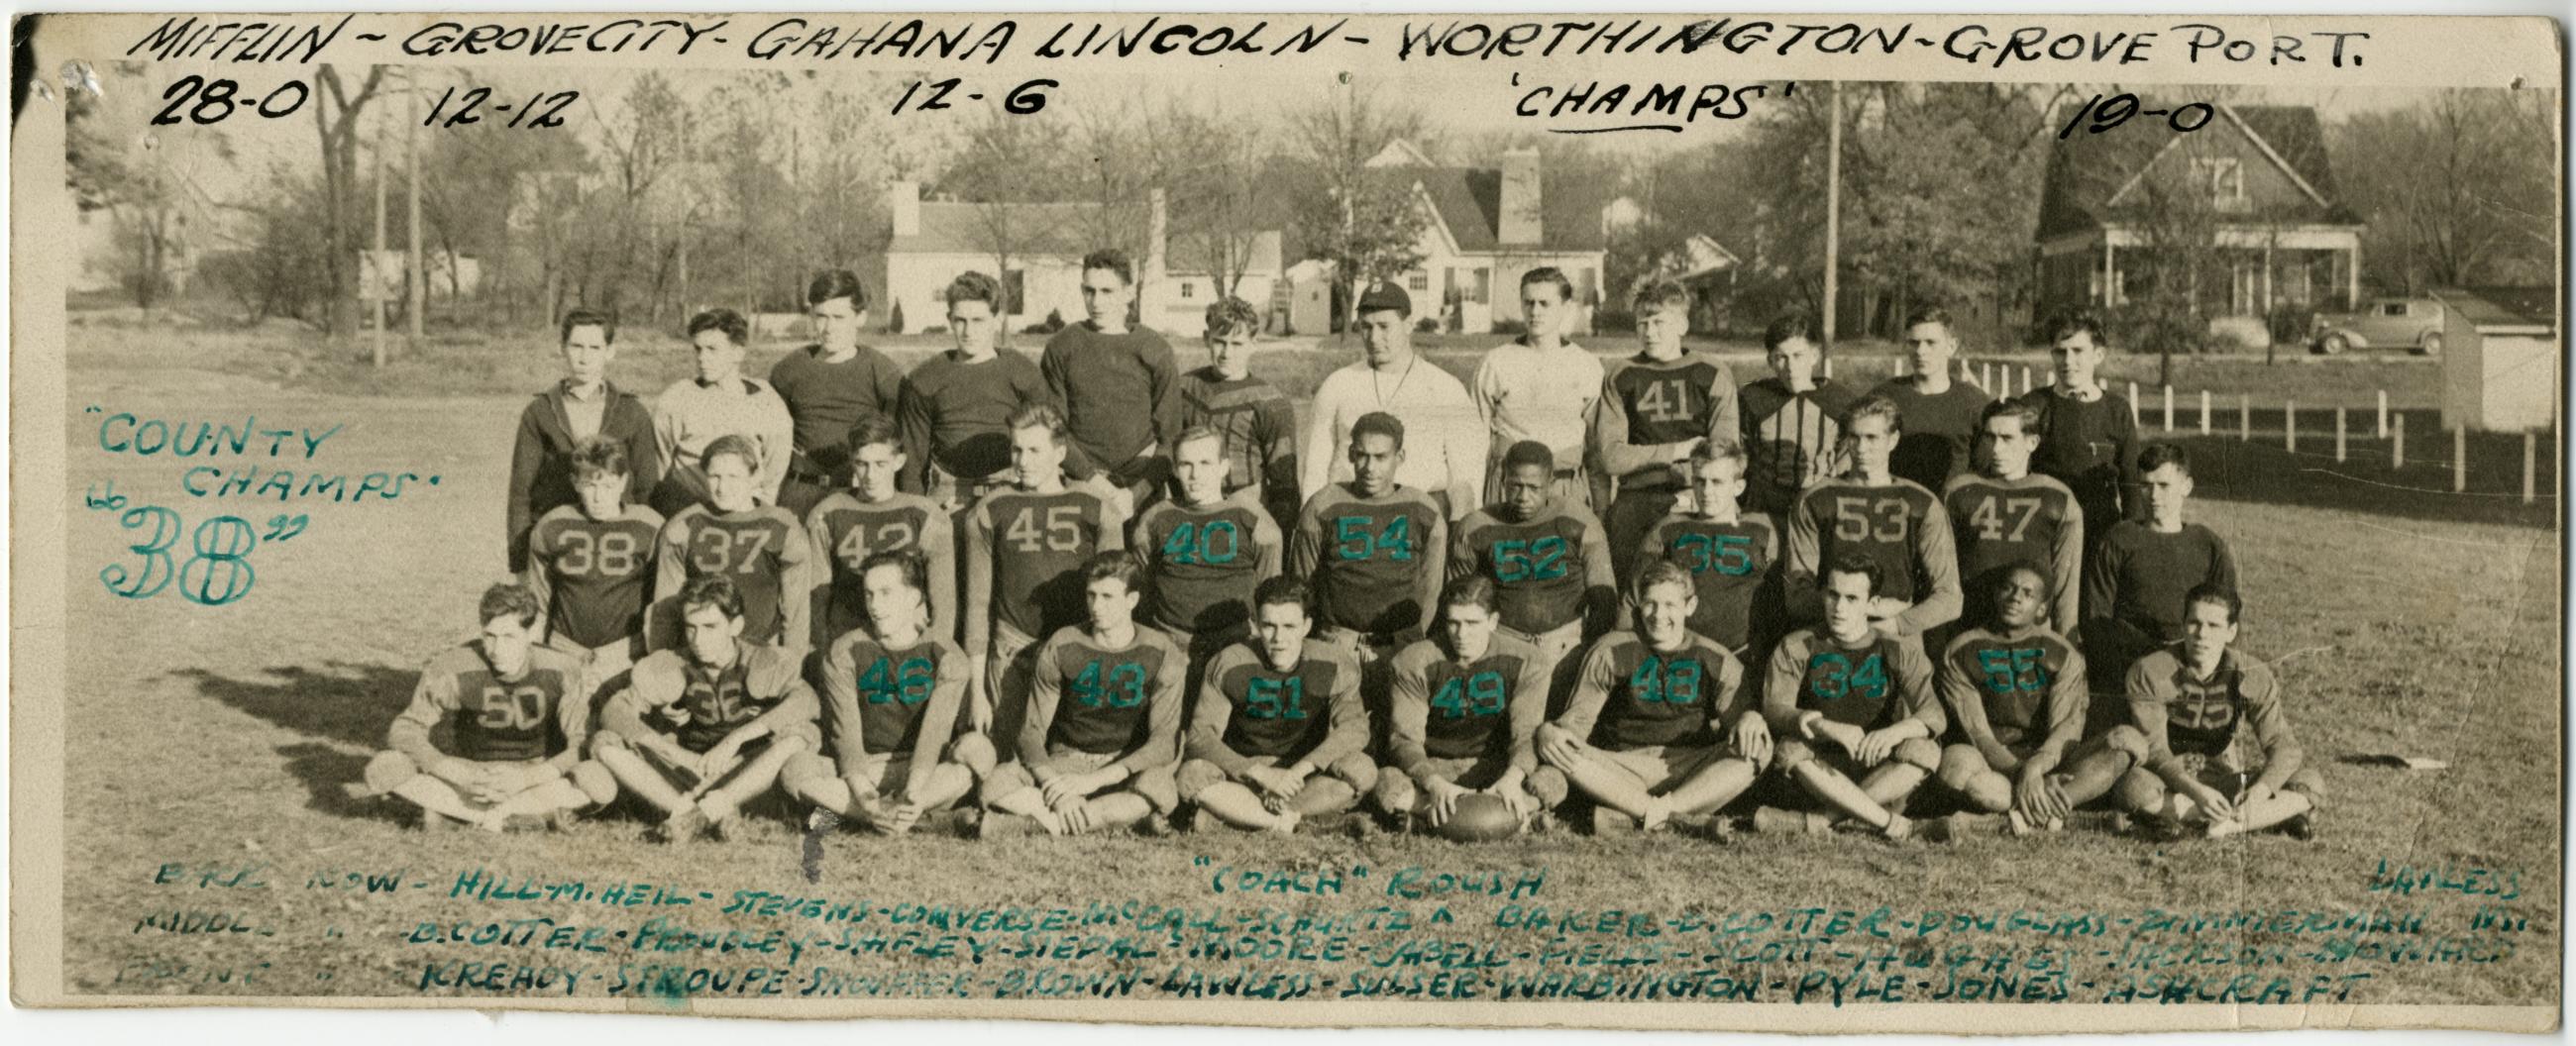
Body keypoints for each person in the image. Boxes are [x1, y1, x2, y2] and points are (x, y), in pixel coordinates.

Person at [356, 582, 617, 832]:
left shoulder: (561, 668)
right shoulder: (453, 665)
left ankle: (461, 815)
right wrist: (455, 773)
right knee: (384, 767)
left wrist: (527, 779)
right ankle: (526, 816)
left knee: (598, 780)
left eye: (509, 637)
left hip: (536, 771)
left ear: (531, 634)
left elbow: (581, 741)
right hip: (472, 772)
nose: (497, 649)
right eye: (489, 636)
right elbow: (405, 730)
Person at [1537, 560, 1760, 835]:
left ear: (1690, 606)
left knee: (1759, 749)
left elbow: (1738, 722)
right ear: (1639, 605)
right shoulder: (1612, 649)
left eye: (1669, 605)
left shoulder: (1714, 656)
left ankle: (1643, 815)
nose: (1657, 615)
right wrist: (1552, 733)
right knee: (1557, 746)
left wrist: (1750, 717)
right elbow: (1577, 724)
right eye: (1650, 603)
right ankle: (1678, 819)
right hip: (1622, 766)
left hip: (1689, 768)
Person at [592, 575, 821, 843]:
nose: (698, 639)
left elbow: (806, 702)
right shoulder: (673, 663)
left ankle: (712, 809)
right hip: (690, 770)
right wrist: (671, 751)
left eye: (710, 626)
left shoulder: (764, 659)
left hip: (748, 774)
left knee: (801, 735)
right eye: (691, 627)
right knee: (604, 743)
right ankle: (688, 813)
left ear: (735, 625)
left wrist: (736, 740)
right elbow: (614, 710)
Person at [2083, 584, 2321, 840]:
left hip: (2221, 779)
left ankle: (2228, 824)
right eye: (2194, 623)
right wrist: (2196, 791)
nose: (2201, 634)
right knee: (2132, 787)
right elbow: (2154, 751)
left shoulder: (2252, 673)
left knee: (2309, 780)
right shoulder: (2151, 671)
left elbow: (2283, 746)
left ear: (2231, 632)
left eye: (2213, 626)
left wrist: (2261, 791)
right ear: (2183, 625)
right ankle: (2255, 820)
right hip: (2167, 782)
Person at [962, 405, 1129, 764]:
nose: (1023, 461)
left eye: (1035, 450)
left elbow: (1114, 597)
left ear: (1060, 453)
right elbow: (978, 603)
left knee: (1069, 757)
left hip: (1077, 650)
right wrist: (977, 689)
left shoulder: (1095, 504)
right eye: (1017, 450)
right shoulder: (993, 507)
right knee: (997, 757)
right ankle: (829, 820)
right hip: (1013, 649)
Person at [784, 550, 989, 836]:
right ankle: (908, 821)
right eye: (869, 594)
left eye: (885, 593)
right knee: (795, 768)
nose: (875, 606)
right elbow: (847, 737)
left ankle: (874, 815)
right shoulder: (845, 650)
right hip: (867, 768)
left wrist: (914, 793)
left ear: (914, 596)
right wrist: (867, 801)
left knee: (979, 752)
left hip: (923, 773)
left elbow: (934, 735)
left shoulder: (946, 653)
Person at [980, 553, 1185, 836]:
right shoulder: (1064, 643)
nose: (1096, 606)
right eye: (1091, 595)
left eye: (1107, 597)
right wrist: (1060, 789)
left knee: (1159, 788)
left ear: (1132, 600)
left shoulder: (1161, 651)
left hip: (1124, 762)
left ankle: (1045, 823)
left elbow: (1164, 741)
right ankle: (1099, 819)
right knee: (995, 783)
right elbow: (1031, 730)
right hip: (1069, 758)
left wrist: (1098, 780)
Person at [1291, 412, 1449, 750]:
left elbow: (1431, 586)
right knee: (1332, 739)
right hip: (1339, 638)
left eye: (1381, 457)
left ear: (1400, 458)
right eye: (1361, 455)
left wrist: (1410, 638)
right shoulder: (1323, 503)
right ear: (1350, 454)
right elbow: (1303, 583)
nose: (1369, 467)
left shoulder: (1423, 509)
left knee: (1401, 739)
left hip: (1400, 642)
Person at [1759, 557, 1944, 840]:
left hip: (1877, 767)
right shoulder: (1798, 644)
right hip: (1819, 770)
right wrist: (1825, 726)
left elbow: (1933, 714)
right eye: (1833, 595)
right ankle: (1886, 822)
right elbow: (1774, 708)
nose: (1839, 608)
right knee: (1789, 748)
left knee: (1926, 749)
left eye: (1852, 598)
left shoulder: (1897, 649)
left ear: (1872, 603)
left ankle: (1824, 820)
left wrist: (1893, 734)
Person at [1932, 566, 2127, 834]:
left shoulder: (2061, 650)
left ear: (2041, 608)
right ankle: (2064, 817)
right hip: (1996, 766)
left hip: (2051, 764)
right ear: (1995, 595)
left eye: (2028, 593)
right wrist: (2023, 773)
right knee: (1956, 766)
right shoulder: (1962, 649)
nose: (2015, 598)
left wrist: (2037, 768)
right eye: (2008, 588)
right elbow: (1978, 734)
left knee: (2129, 741)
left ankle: (2012, 819)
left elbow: (2066, 727)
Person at [1177, 575, 1377, 832]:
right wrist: (1258, 772)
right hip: (1245, 773)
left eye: (1289, 626)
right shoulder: (1229, 662)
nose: (1278, 637)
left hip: (1303, 775)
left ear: (1307, 626)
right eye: (1269, 625)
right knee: (1191, 775)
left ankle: (1242, 816)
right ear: (1255, 624)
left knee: (1362, 769)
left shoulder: (1334, 663)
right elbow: (1200, 736)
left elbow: (1354, 728)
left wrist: (1300, 770)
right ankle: (1291, 820)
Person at [1377, 575, 1565, 834]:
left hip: (1495, 766)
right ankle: (1513, 818)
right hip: (1436, 764)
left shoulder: (1527, 660)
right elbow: (1405, 740)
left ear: (1493, 621)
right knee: (1386, 782)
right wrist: (1434, 783)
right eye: (1453, 623)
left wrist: (1512, 778)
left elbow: (1526, 734)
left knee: (1554, 780)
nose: (1461, 634)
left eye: (1472, 623)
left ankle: (1430, 820)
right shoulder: (1414, 660)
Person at [1589, 279, 1739, 592]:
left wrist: (1691, 486)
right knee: (1632, 592)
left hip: (1694, 497)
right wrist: (1679, 449)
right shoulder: (1622, 374)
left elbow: (1726, 452)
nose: (1649, 331)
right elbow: (1611, 456)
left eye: (1659, 322)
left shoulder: (1711, 372)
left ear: (1682, 324)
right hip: (1636, 501)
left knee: (1698, 591)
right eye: (1642, 323)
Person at [1449, 441, 1617, 710]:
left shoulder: (1578, 518)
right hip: (1504, 642)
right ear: (1503, 479)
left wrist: (1585, 651)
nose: (1523, 497)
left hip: (1564, 645)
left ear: (1550, 482)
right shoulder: (1476, 526)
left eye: (1534, 488)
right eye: (1515, 485)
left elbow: (1603, 597)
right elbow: (1458, 599)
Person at [1298, 281, 1484, 522]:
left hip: (1420, 519)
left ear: (1408, 325)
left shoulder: (1445, 388)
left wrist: (1460, 538)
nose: (1374, 337)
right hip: (1350, 518)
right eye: (1366, 327)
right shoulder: (1338, 385)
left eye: (1384, 326)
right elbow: (1315, 469)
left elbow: (1466, 477)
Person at [1130, 426, 1284, 712]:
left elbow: (1269, 589)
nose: (1195, 474)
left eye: (1205, 463)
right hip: (1173, 644)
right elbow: (1146, 588)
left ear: (1224, 467)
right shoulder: (1156, 518)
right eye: (1186, 464)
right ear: (1174, 469)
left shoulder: (1252, 519)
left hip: (1232, 644)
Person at [1784, 395, 1962, 642]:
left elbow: (1950, 599)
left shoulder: (1921, 503)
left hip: (1897, 636)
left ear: (1893, 440)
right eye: (1854, 437)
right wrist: (1867, 609)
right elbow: (1797, 597)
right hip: (1831, 634)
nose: (1861, 448)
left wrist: (1896, 623)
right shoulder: (1816, 499)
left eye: (1872, 438)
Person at [896, 271, 1070, 512]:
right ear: (949, 319)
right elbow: (913, 466)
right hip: (949, 490)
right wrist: (916, 515)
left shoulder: (1021, 371)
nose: (968, 331)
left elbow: (1053, 439)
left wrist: (1093, 480)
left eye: (978, 320)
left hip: (1010, 487)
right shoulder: (924, 379)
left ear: (995, 320)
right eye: (960, 320)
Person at [505, 308, 659, 574]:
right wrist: (520, 564)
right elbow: (521, 493)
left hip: (618, 544)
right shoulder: (540, 411)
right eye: (577, 346)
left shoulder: (632, 412)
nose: (585, 357)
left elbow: (647, 489)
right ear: (562, 348)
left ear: (610, 351)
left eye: (594, 347)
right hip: (560, 542)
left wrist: (650, 554)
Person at [2082, 442, 2238, 697]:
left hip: (2190, 667)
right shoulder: (2120, 539)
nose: (2153, 496)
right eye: (2145, 485)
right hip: (2130, 669)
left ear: (2186, 486)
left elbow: (2227, 616)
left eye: (2164, 486)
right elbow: (2097, 616)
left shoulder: (2208, 545)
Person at [652, 435, 817, 653]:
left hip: (762, 650)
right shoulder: (684, 525)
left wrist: (791, 664)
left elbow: (795, 613)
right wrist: (663, 660)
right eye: (715, 477)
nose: (722, 487)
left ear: (754, 477)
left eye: (733, 477)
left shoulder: (782, 526)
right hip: (700, 652)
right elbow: (666, 608)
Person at [1042, 249, 1181, 507]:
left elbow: (1170, 436)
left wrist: (1135, 494)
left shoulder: (1154, 348)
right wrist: (1093, 481)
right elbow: (1054, 429)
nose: (1096, 302)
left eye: (1107, 291)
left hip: (1142, 485)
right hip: (1082, 483)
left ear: (1128, 293)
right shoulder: (1062, 346)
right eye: (1089, 291)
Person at [805, 417, 955, 650]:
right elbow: (818, 596)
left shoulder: (924, 514)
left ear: (899, 461)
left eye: (880, 464)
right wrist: (822, 653)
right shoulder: (828, 512)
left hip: (909, 645)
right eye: (862, 464)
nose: (870, 475)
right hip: (847, 643)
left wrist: (936, 652)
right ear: (851, 462)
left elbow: (943, 601)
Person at [523, 437, 664, 679]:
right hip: (563, 649)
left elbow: (661, 601)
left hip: (623, 652)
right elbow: (538, 601)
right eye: (590, 485)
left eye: (608, 486)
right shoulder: (552, 525)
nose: (599, 498)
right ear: (575, 483)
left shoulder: (649, 525)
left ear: (623, 482)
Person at [770, 269, 907, 517]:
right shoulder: (788, 371)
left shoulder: (882, 372)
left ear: (860, 317)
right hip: (801, 490)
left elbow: (897, 441)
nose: (828, 327)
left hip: (857, 490)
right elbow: (772, 438)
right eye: (821, 316)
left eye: (839, 317)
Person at [1944, 400, 2084, 637]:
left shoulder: (2058, 497)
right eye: (1990, 437)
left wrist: (2065, 643)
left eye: (2007, 438)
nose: (1996, 448)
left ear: (2032, 442)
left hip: (2032, 635)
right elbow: (1941, 574)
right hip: (1970, 629)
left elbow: (2065, 585)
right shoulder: (1959, 491)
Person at [1638, 440, 1781, 662]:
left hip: (1743, 654)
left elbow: (1780, 601)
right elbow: (1634, 594)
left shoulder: (1763, 529)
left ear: (1738, 487)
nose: (1706, 491)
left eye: (1717, 482)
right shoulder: (1668, 528)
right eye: (1700, 480)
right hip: (1680, 654)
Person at [1474, 267, 1603, 510]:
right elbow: (1476, 438)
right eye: (1528, 302)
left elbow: (1596, 446)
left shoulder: (1586, 365)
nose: (1535, 312)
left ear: (1565, 307)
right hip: (1509, 487)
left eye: (1545, 304)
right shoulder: (1496, 362)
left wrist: (1601, 504)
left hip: (1563, 487)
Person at [650, 307, 795, 516]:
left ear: (738, 352)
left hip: (743, 514)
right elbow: (660, 466)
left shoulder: (766, 403)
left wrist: (758, 515)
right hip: (688, 511)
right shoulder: (676, 398)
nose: (702, 357)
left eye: (712, 349)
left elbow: (773, 473)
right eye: (698, 349)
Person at [2017, 311, 2139, 558]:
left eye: (2077, 351)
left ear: (2098, 355)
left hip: (2101, 536)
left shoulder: (2117, 410)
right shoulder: (2034, 405)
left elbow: (2131, 483)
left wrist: (2133, 542)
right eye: (2060, 351)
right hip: (2044, 533)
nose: (2067, 361)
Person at [1177, 296, 1299, 534]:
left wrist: (1276, 545)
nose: (1226, 353)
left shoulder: (1270, 403)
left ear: (1254, 342)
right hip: (1190, 517)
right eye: (1219, 342)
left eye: (1237, 344)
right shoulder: (1183, 388)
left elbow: (1285, 487)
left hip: (1245, 520)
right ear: (1206, 339)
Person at [1740, 311, 1859, 517]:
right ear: (1770, 361)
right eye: (1781, 357)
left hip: (1819, 508)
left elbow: (1848, 457)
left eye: (1798, 355)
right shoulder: (1753, 398)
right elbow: (1738, 453)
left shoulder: (1840, 401)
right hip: (1764, 509)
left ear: (1814, 356)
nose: (1791, 366)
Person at [1867, 306, 1993, 494]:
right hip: (1894, 506)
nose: (1920, 351)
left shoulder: (1975, 403)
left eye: (1930, 342)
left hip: (1953, 512)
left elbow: (1988, 469)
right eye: (1914, 343)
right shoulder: (1884, 397)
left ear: (1951, 346)